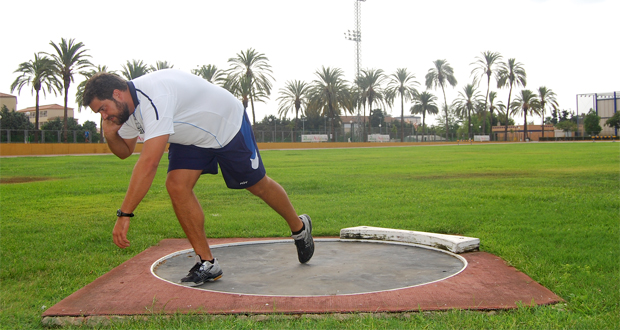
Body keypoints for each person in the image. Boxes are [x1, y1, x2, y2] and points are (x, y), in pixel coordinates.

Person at [83, 69, 314, 287]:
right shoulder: (124, 111)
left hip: (225, 124)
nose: (104, 116)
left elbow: (149, 163)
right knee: (176, 186)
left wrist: (124, 214)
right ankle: (207, 262)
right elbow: (124, 151)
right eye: (100, 113)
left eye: (103, 109)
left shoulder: (155, 96)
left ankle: (299, 227)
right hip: (190, 138)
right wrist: (110, 133)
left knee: (257, 186)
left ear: (117, 94)